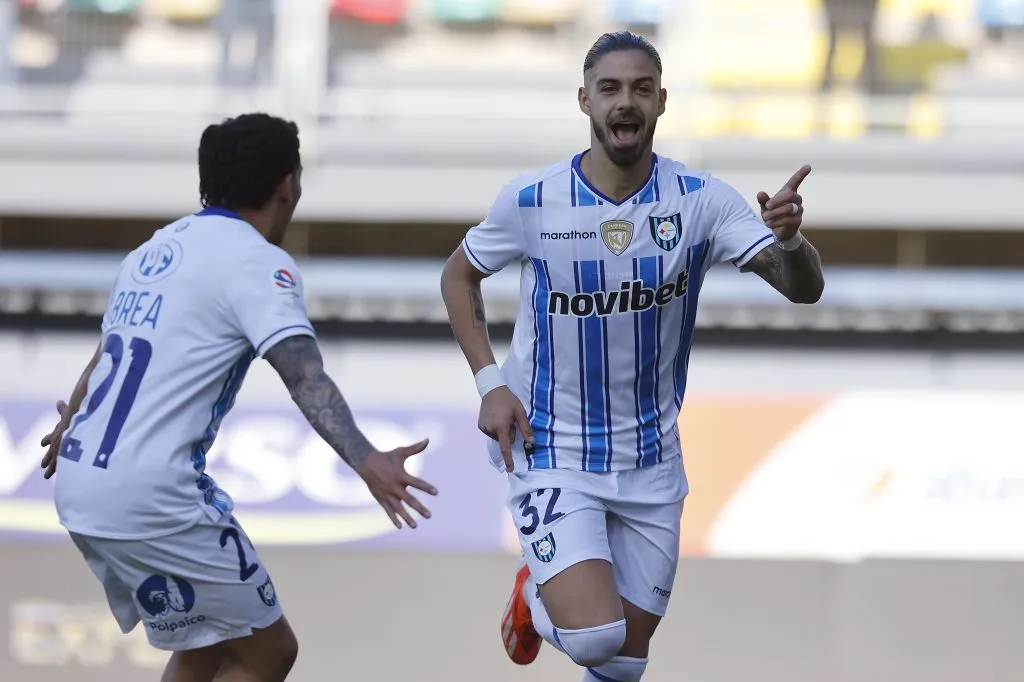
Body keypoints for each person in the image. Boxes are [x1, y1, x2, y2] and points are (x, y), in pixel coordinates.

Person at [439, 31, 824, 682]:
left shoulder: (700, 200)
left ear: (662, 101)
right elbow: (459, 275)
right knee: (595, 637)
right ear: (584, 100)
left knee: (623, 664)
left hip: (651, 459)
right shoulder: (532, 200)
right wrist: (489, 383)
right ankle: (535, 597)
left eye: (642, 89)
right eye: (611, 88)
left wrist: (789, 242)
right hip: (552, 446)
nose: (626, 102)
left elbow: (802, 289)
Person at [38, 112, 438, 682]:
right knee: (271, 651)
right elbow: (304, 377)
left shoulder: (153, 250)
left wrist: (70, 422)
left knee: (207, 644)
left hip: (82, 477)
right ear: (288, 185)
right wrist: (367, 459)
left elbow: (107, 354)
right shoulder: (257, 262)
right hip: (150, 491)